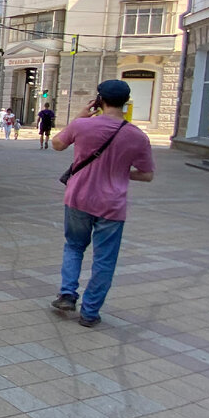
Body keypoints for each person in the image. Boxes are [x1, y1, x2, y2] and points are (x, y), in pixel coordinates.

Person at [51, 80, 155, 327]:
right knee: (105, 260)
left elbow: (57, 144)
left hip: (78, 198)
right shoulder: (137, 136)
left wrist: (79, 116)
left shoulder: (82, 125)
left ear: (100, 100)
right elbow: (147, 174)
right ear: (126, 102)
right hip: (112, 206)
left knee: (74, 246)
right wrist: (120, 171)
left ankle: (67, 294)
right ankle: (89, 313)